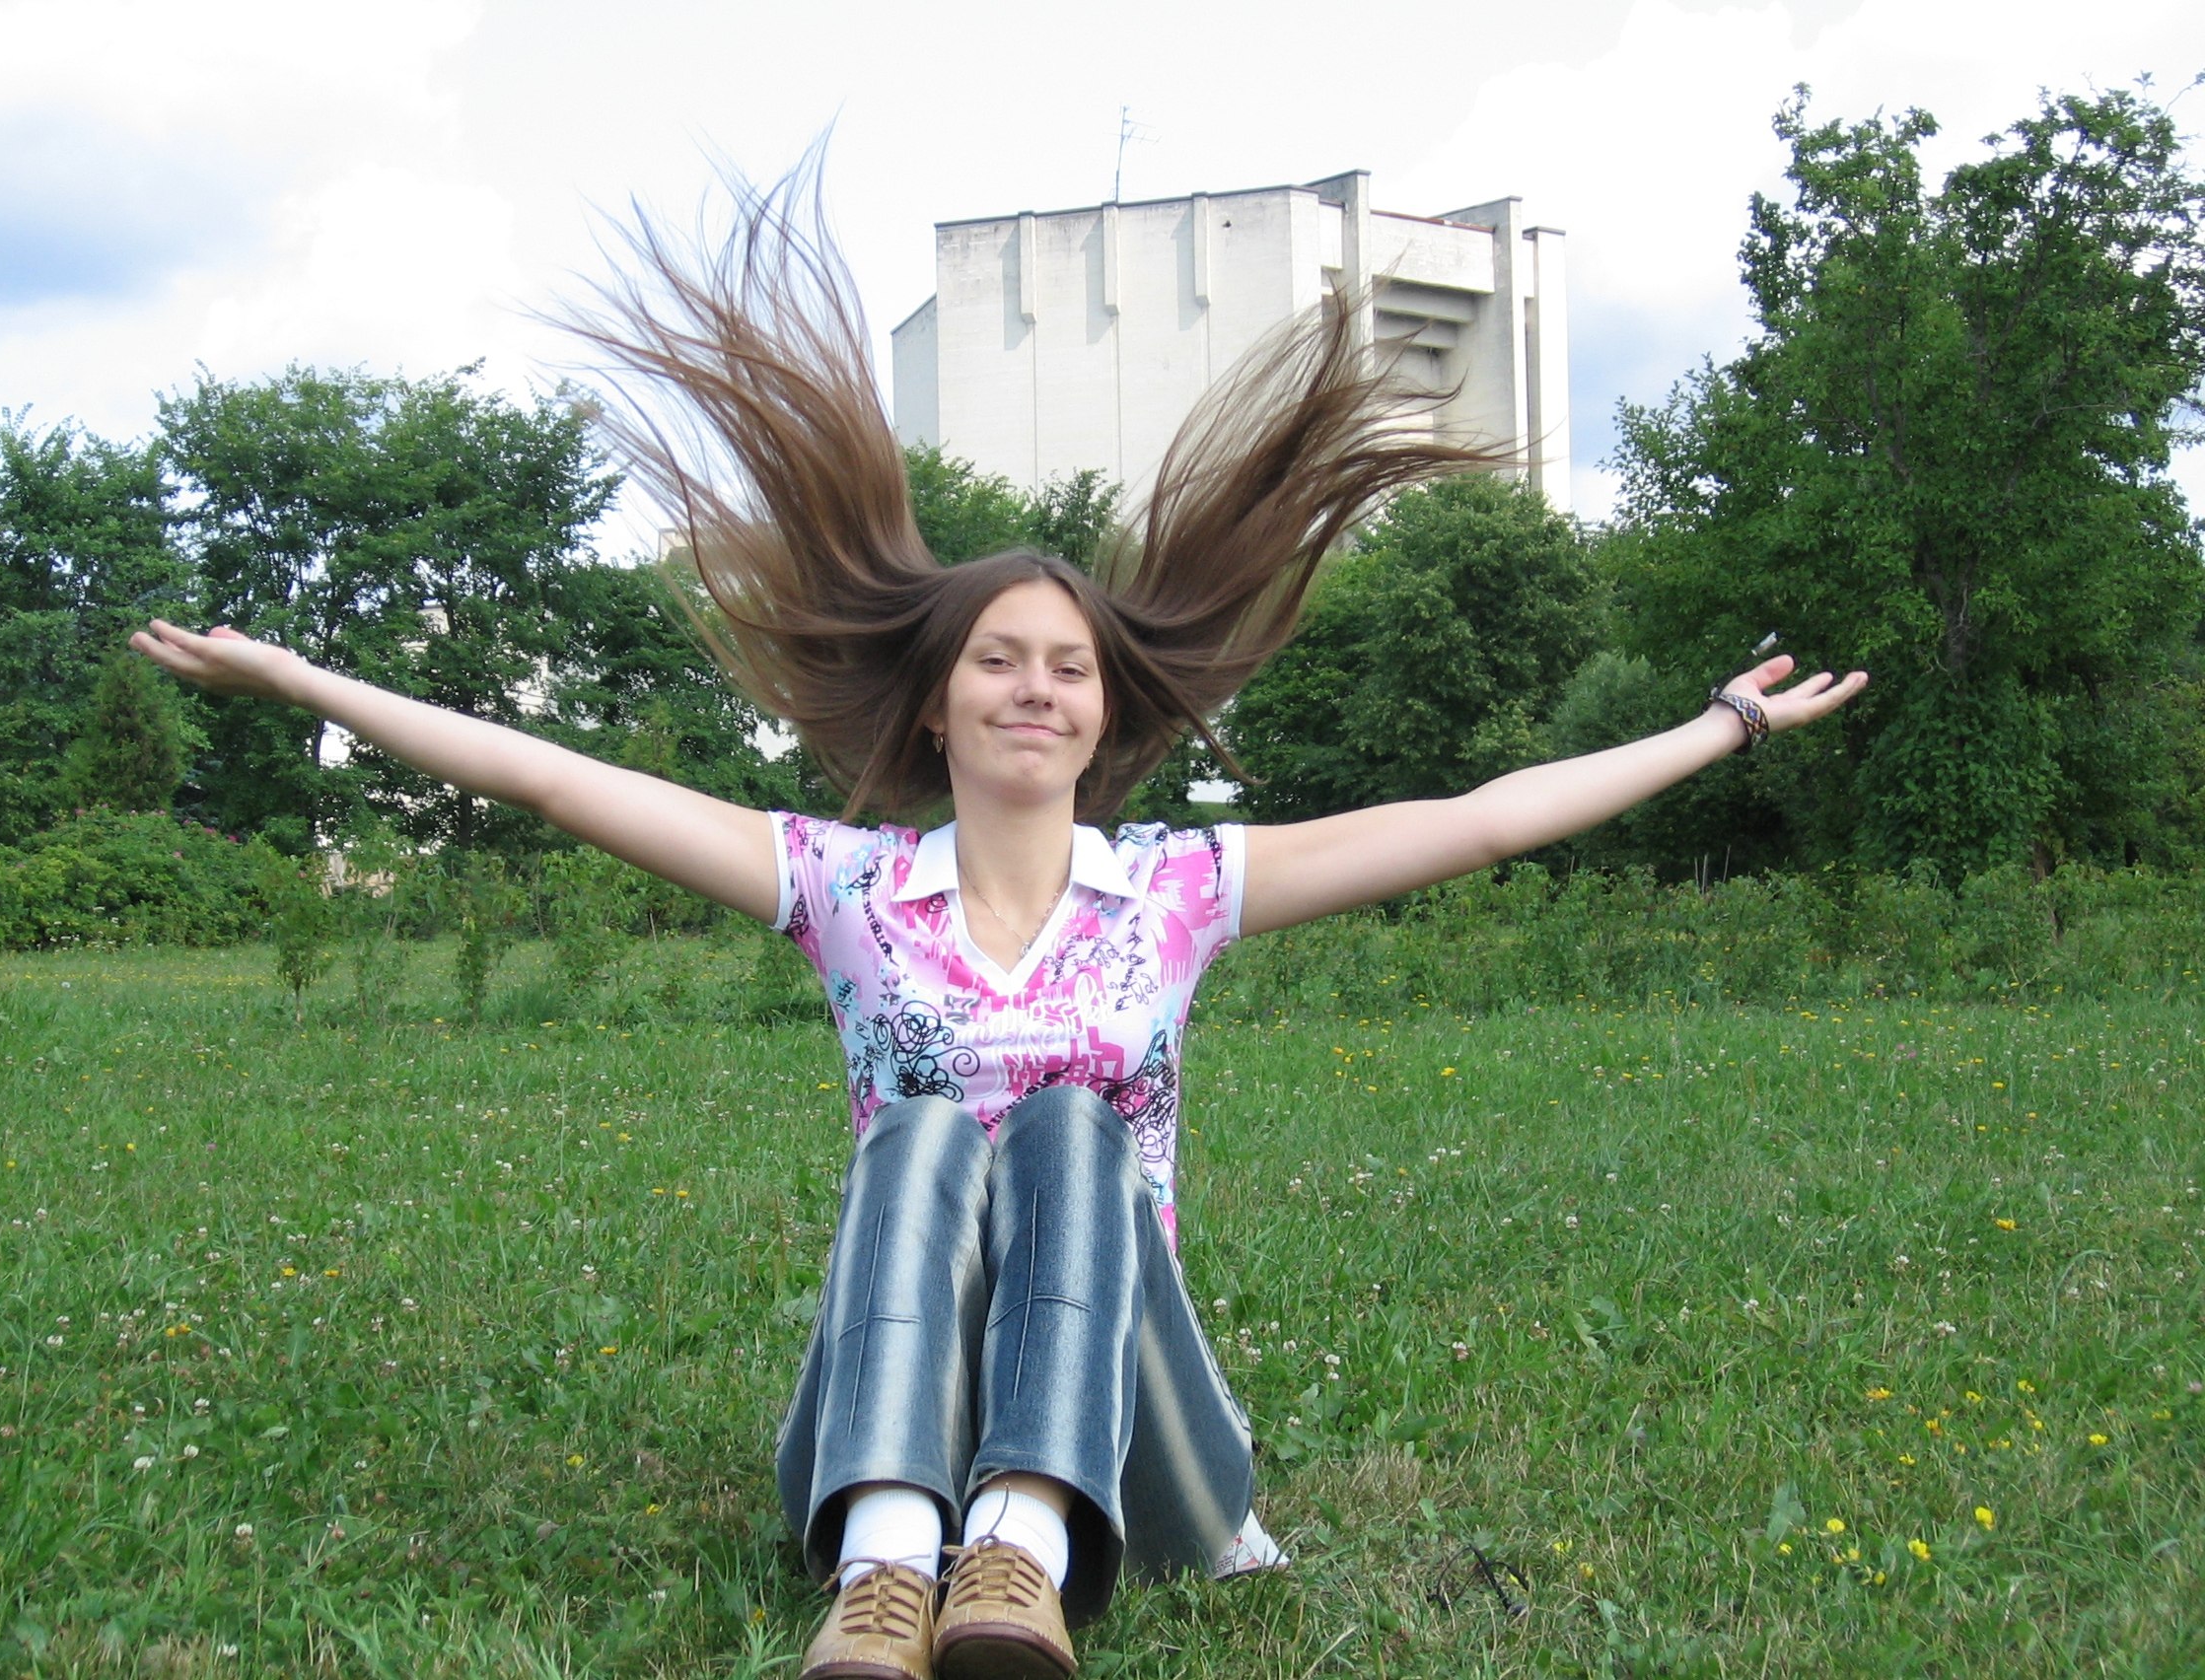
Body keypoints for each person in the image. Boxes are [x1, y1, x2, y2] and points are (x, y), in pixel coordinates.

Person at [133, 167, 1866, 1680]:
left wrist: (1719, 726)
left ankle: (1023, 1545)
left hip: (1134, 1456)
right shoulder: (844, 891)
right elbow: (552, 776)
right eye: (1000, 660)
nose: (1038, 687)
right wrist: (305, 680)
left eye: (1071, 669)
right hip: (881, 1441)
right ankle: (891, 1569)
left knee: (1066, 1129)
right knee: (917, 1139)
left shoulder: (1179, 891)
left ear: (1106, 714)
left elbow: (1476, 819)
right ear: (939, 701)